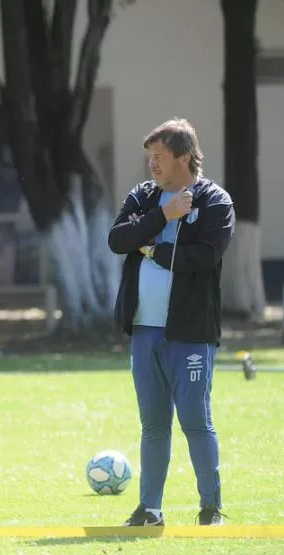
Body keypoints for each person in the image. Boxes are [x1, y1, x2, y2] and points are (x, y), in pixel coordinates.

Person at [108, 118, 234, 526]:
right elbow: (117, 240)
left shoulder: (215, 201)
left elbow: (204, 259)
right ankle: (150, 509)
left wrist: (154, 252)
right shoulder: (145, 198)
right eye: (149, 158)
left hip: (191, 332)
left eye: (159, 157)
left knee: (196, 421)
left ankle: (211, 507)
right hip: (145, 332)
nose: (152, 166)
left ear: (183, 157)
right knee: (154, 425)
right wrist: (163, 215)